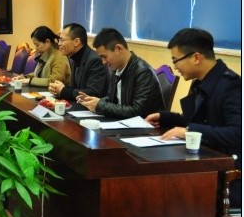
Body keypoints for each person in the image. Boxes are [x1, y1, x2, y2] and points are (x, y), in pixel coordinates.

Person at [145, 28, 241, 207]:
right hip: (205, 164)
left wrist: (189, 132)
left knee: (163, 191)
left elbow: (237, 133)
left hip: (229, 174)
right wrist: (165, 117)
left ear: (196, 57)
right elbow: (197, 121)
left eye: (176, 60)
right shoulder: (202, 82)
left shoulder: (231, 86)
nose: (175, 67)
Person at [77, 27, 164, 119]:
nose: (103, 62)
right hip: (122, 122)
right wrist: (95, 101)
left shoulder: (143, 72)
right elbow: (112, 98)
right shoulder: (116, 68)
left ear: (119, 48)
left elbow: (137, 111)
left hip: (145, 125)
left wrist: (100, 105)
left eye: (104, 57)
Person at [48, 22, 109, 101]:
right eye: (59, 40)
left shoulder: (95, 60)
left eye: (62, 40)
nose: (59, 44)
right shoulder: (74, 57)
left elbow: (93, 92)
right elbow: (76, 87)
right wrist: (58, 90)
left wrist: (64, 91)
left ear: (76, 42)